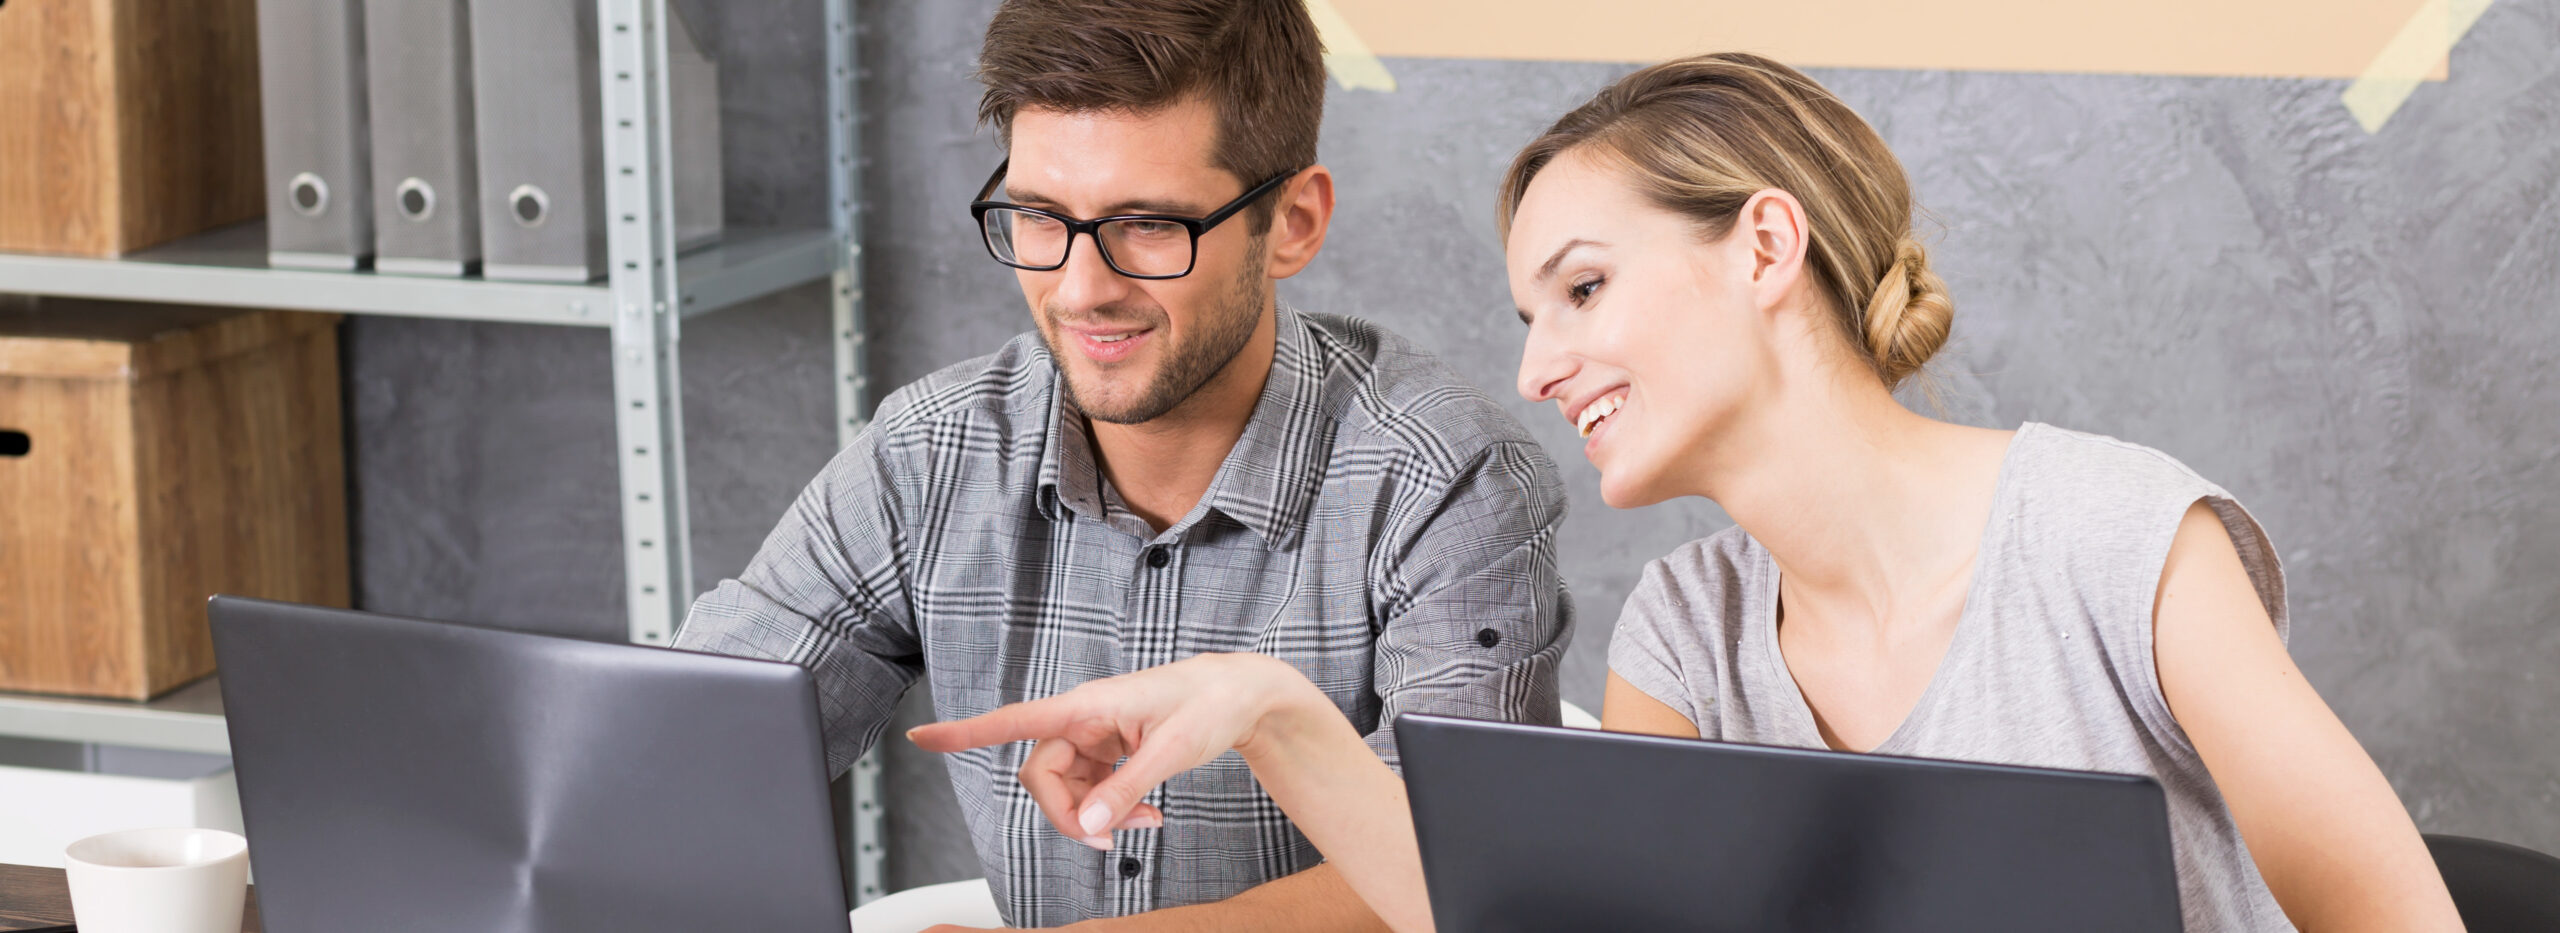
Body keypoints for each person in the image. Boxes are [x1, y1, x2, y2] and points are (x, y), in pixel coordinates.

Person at [911, 52, 2465, 932]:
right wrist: (1269, 704)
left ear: (1768, 250)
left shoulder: (2119, 540)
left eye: (1581, 289)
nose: (1537, 367)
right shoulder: (1691, 625)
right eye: (1531, 314)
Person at [671, 0, 1574, 929]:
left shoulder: (1445, 482)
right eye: (1039, 215)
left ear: (1293, 222)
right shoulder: (930, 452)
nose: (1081, 289)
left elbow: (1466, 882)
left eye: (1147, 224)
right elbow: (686, 748)